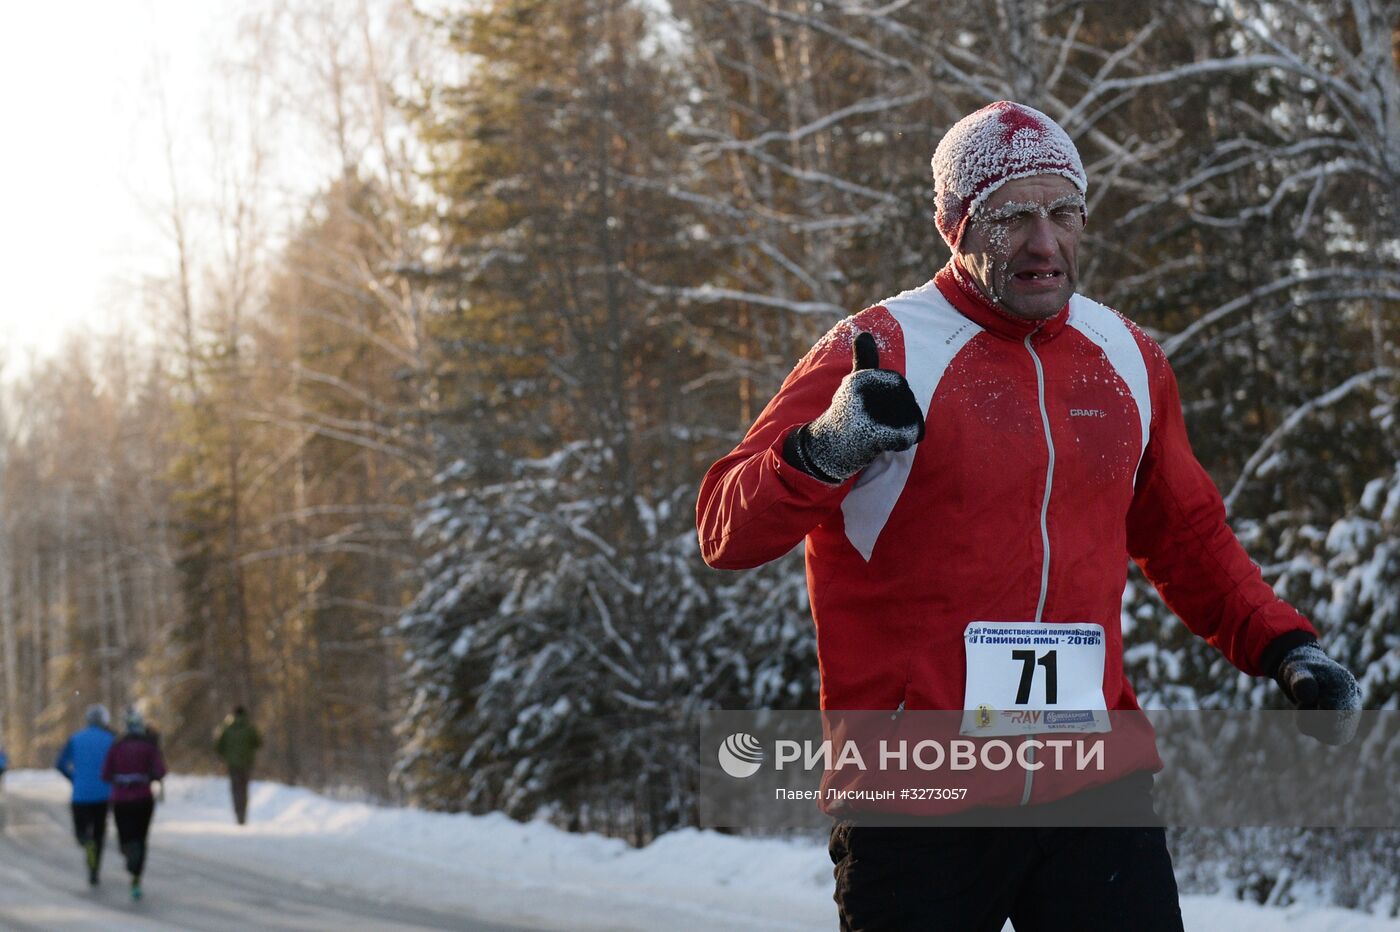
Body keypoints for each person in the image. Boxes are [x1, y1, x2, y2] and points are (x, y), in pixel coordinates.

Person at [695, 101, 1361, 931]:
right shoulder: (879, 348)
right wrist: (828, 446)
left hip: (1092, 781)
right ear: (955, 226)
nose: (1046, 243)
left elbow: (1185, 534)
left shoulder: (1127, 357)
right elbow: (724, 526)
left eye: (1064, 212)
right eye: (1013, 217)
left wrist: (1284, 645)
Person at [101, 706, 167, 902]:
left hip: (121, 799)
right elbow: (161, 771)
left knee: (125, 837)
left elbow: (105, 774)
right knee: (141, 837)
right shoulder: (149, 746)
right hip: (143, 798)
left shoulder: (117, 746)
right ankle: (136, 879)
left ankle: (129, 854)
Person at [55, 704, 116, 886]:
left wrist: (74, 777)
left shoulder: (75, 738)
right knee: (99, 832)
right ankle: (94, 870)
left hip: (80, 795)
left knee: (82, 832)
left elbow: (60, 763)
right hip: (104, 795)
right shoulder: (111, 739)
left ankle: (85, 841)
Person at [214, 705, 261, 825]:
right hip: (246, 763)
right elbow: (259, 743)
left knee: (235, 788)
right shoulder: (250, 727)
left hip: (232, 764)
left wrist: (224, 756)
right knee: (244, 789)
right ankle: (243, 813)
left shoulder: (226, 728)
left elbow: (218, 745)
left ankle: (237, 812)